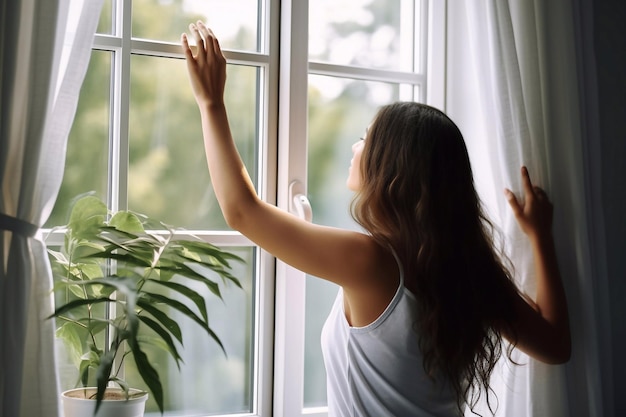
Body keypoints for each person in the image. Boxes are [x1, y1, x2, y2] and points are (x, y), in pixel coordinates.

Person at [181, 21, 571, 417]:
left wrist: (211, 102)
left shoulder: (371, 262)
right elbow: (555, 345)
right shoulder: (466, 268)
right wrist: (539, 237)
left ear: (394, 168)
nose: (355, 146)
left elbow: (242, 212)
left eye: (366, 138)